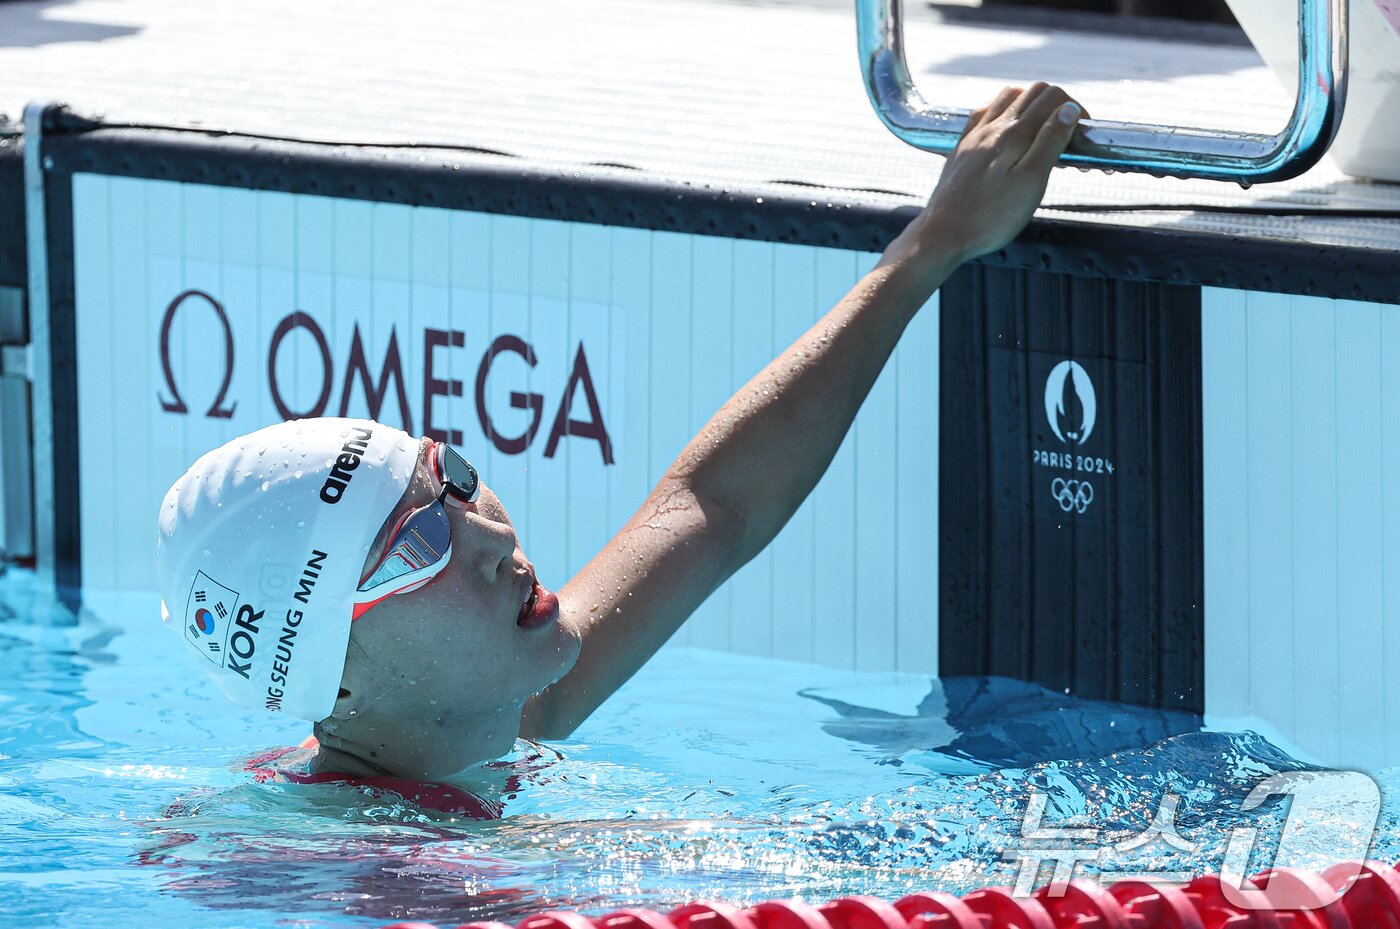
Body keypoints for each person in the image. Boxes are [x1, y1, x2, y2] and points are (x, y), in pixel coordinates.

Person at [157, 83, 1087, 790]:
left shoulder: (487, 711)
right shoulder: (379, 875)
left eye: (452, 478)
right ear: (337, 680)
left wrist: (933, 244)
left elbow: (711, 508)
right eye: (419, 543)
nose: (489, 533)